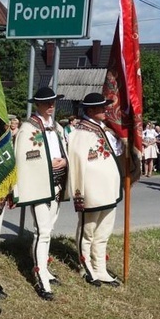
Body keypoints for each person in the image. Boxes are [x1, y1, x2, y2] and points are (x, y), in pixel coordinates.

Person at [13, 87, 68, 300]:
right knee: (43, 231)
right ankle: (41, 280)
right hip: (39, 185)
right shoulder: (28, 129)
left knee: (46, 229)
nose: (51, 106)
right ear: (37, 105)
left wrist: (64, 161)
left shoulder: (57, 128)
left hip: (57, 184)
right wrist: (48, 164)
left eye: (53, 102)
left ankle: (43, 268)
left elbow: (64, 150)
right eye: (46, 103)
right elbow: (26, 158)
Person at [68, 93, 123, 287]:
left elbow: (115, 152)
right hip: (92, 192)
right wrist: (78, 193)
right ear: (90, 110)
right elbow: (76, 164)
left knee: (103, 232)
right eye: (100, 108)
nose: (105, 110)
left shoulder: (103, 130)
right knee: (88, 231)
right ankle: (86, 267)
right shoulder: (81, 133)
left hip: (109, 190)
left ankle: (100, 267)